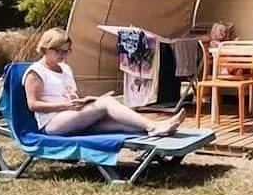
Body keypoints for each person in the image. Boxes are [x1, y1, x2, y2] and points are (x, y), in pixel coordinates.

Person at [23, 28, 185, 136]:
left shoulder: (65, 68)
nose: (63, 55)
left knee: (117, 123)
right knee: (107, 103)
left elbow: (71, 94)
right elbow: (33, 105)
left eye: (66, 51)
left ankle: (159, 130)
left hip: (70, 116)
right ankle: (154, 126)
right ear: (45, 48)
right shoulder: (36, 71)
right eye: (58, 51)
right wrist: (66, 106)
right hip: (52, 122)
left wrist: (83, 100)